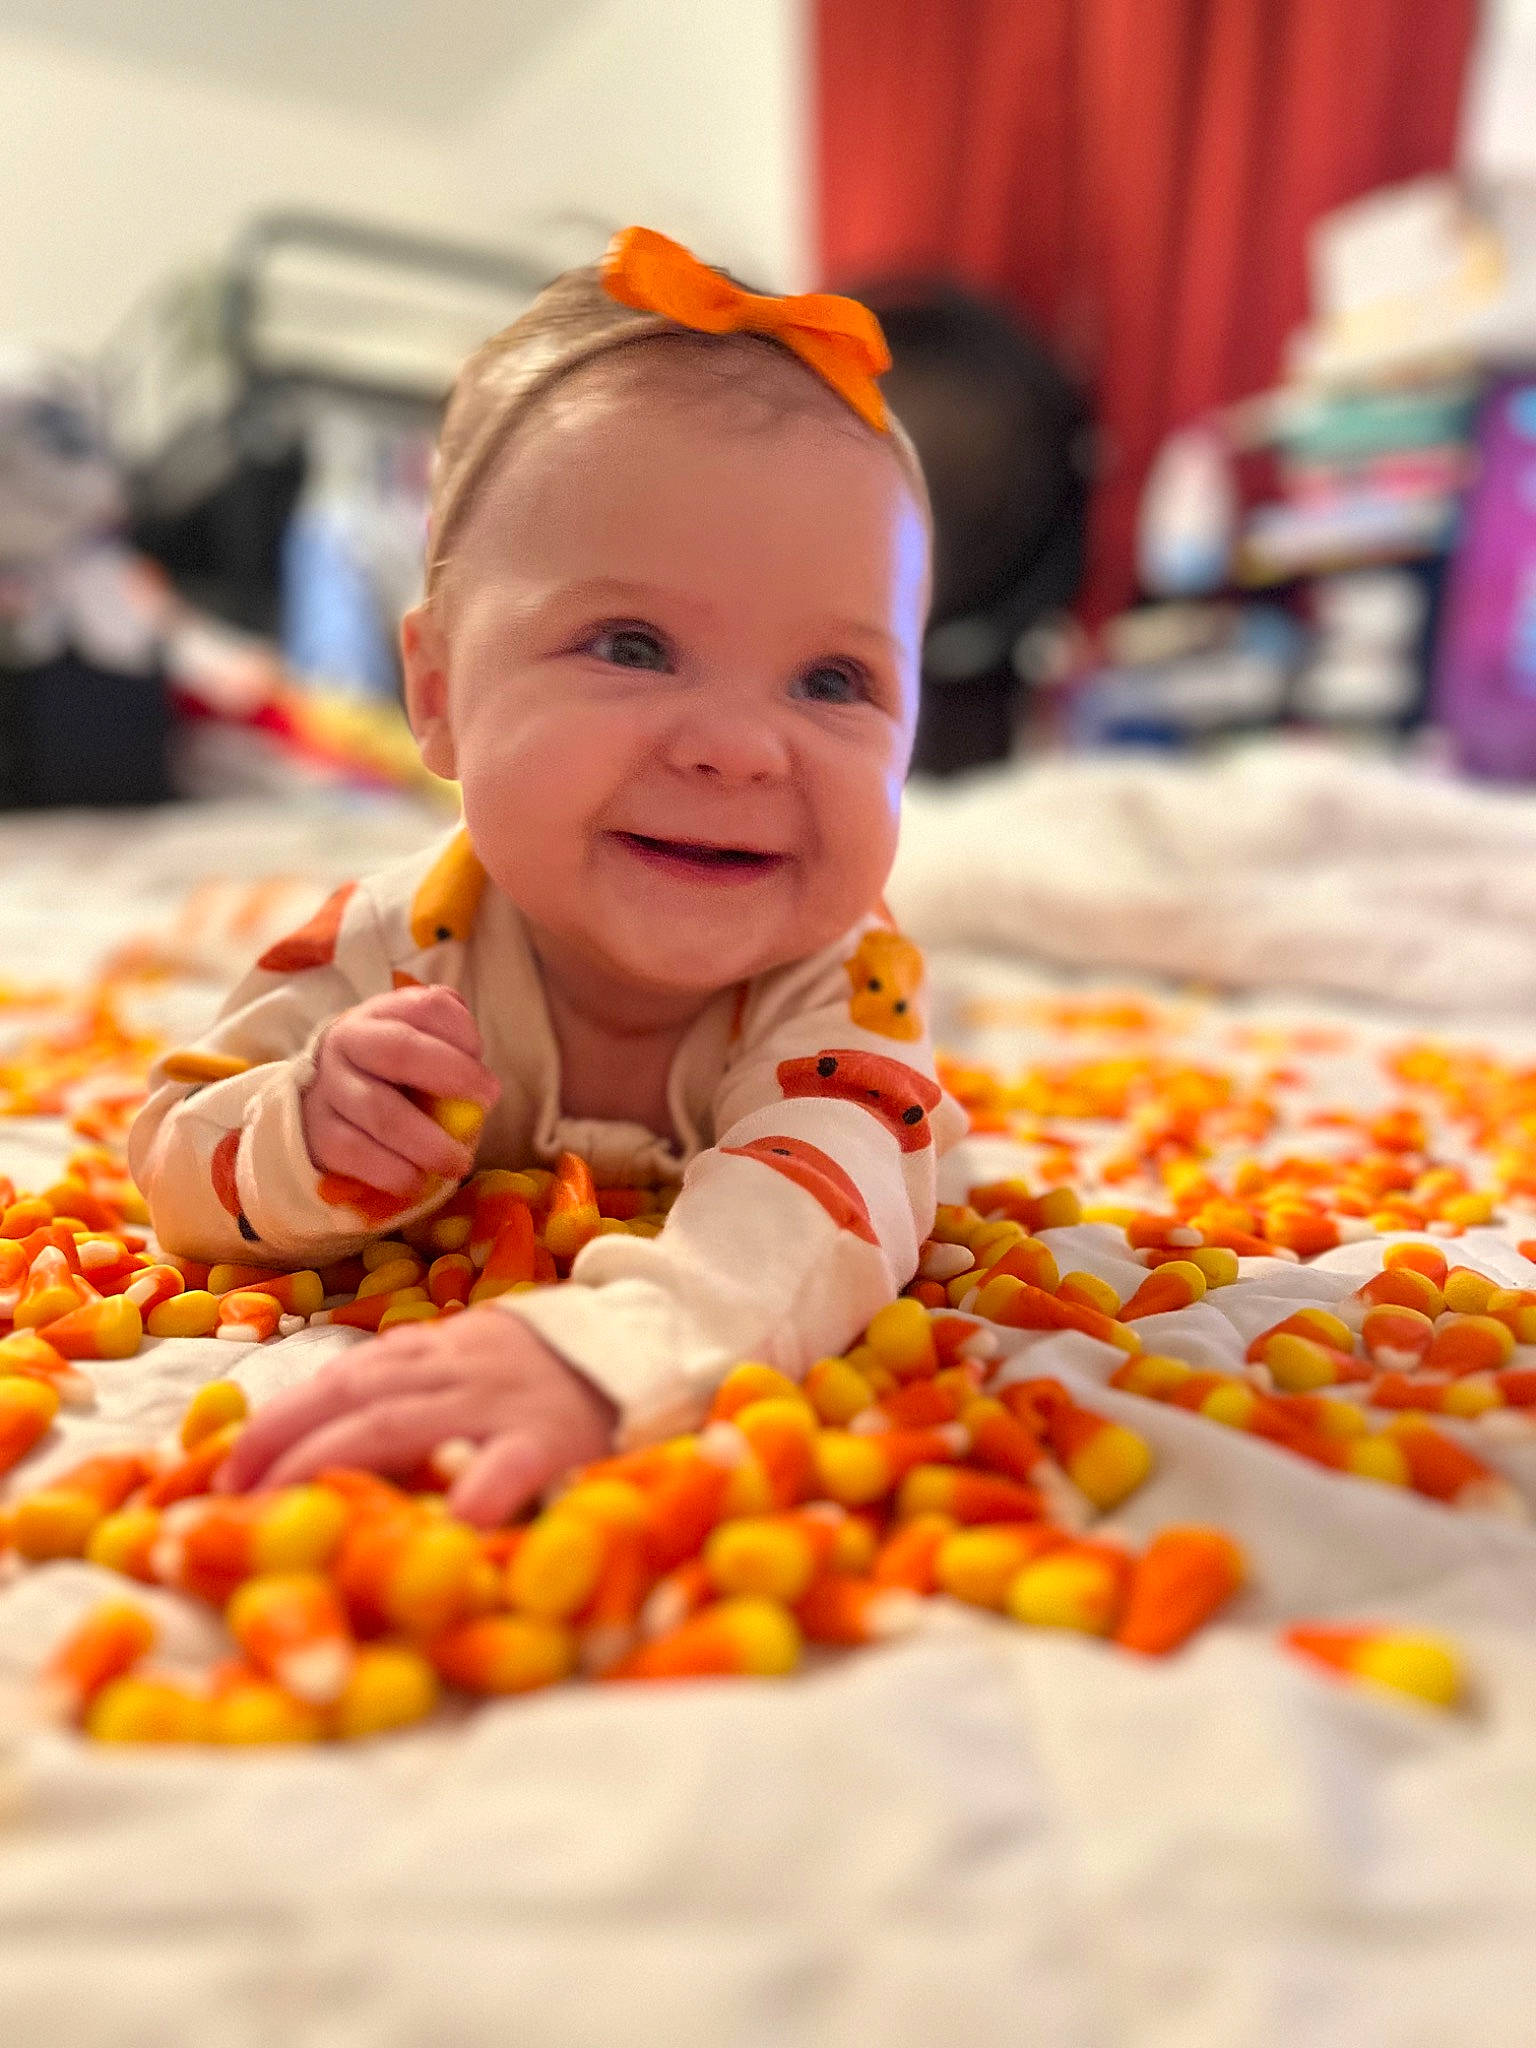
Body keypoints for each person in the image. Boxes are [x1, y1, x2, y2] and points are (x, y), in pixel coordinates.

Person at [129, 227, 964, 1526]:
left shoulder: (845, 980)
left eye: (834, 680)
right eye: (632, 645)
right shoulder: (394, 942)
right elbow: (174, 1158)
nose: (741, 750)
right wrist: (306, 1132)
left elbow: (834, 1186)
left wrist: (626, 1348)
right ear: (439, 692)